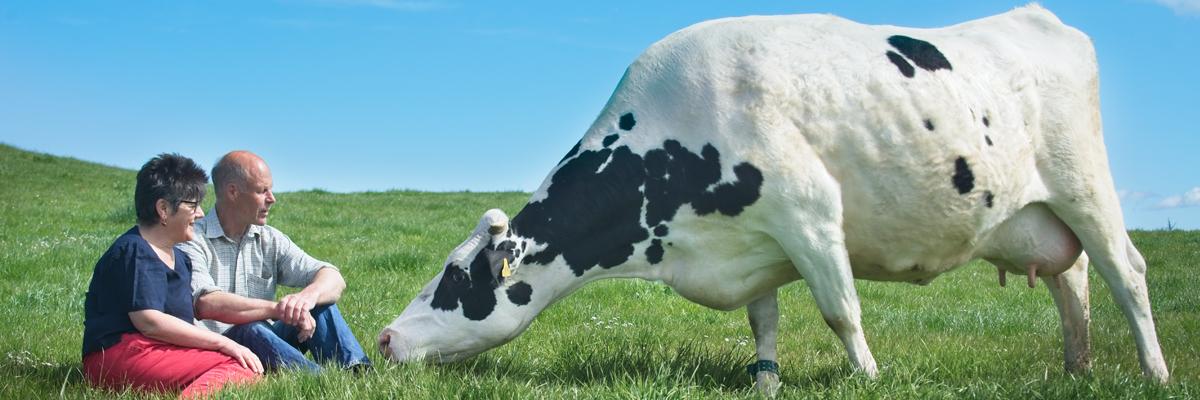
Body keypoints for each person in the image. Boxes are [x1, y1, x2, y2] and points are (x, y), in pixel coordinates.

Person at [82, 153, 262, 399]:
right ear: (163, 209)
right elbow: (150, 322)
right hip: (119, 353)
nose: (200, 214)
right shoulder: (135, 250)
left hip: (157, 351)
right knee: (238, 367)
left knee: (242, 367)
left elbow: (182, 325)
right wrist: (223, 343)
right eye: (192, 205)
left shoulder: (181, 259)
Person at [179, 150, 370, 373]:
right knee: (250, 328)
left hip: (268, 345)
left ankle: (358, 373)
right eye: (262, 191)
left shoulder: (270, 239)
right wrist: (278, 309)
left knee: (320, 305)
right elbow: (205, 303)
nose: (272, 199)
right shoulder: (191, 238)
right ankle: (319, 381)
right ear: (233, 192)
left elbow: (332, 276)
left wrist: (305, 299)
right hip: (221, 353)